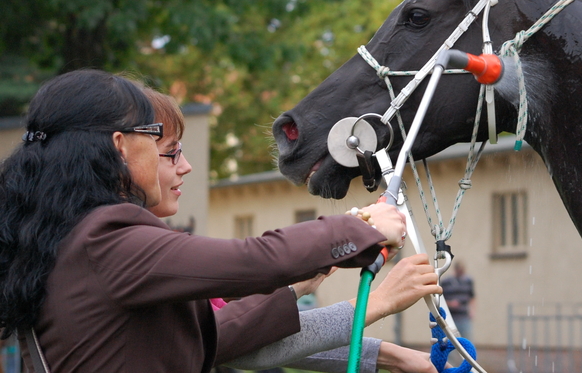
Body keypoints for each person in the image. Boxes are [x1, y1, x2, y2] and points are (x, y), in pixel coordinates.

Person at [0, 69, 409, 373]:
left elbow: (212, 334)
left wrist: (323, 262)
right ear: (120, 146)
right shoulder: (106, 236)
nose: (185, 165)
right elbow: (252, 260)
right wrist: (361, 230)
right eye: (157, 138)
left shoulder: (66, 235)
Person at [143, 87, 439, 373]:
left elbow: (246, 339)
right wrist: (376, 296)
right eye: (171, 152)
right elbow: (222, 338)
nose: (186, 166)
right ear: (123, 150)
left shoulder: (149, 243)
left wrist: (389, 356)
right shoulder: (137, 248)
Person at [440, 259, 475, 340]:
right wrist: (450, 303)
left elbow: (472, 297)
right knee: (450, 342)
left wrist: (472, 311)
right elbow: (440, 300)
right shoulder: (446, 282)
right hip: (450, 318)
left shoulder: (468, 281)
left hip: (464, 317)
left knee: (466, 341)